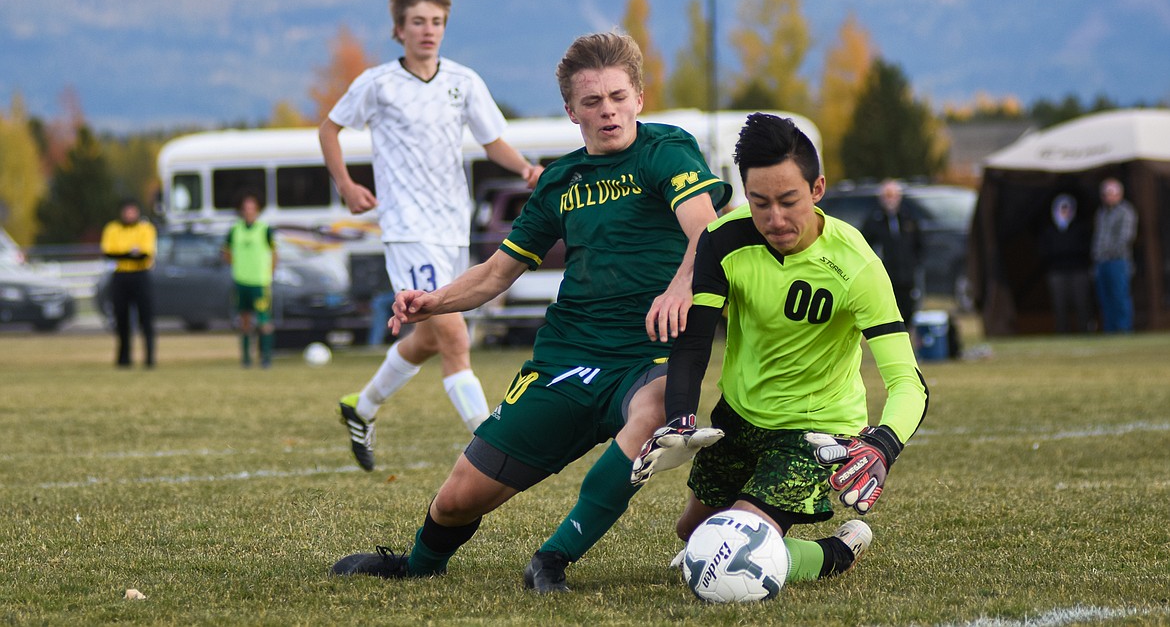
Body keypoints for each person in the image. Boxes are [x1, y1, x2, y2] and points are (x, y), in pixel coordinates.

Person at [330, 31, 731, 592]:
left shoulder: (667, 149)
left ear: (639, 97)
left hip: (644, 357)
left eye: (618, 96)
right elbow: (497, 273)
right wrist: (432, 301)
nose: (607, 111)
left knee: (660, 406)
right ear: (572, 109)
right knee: (456, 499)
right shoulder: (559, 183)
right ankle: (418, 566)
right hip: (565, 360)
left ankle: (551, 560)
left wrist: (680, 286)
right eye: (592, 101)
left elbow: (706, 231)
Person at [631, 113, 929, 586]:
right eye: (759, 202)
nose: (774, 219)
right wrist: (681, 418)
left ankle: (836, 552)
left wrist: (882, 445)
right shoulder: (722, 239)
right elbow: (693, 342)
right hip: (739, 416)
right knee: (691, 532)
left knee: (733, 554)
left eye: (789, 201)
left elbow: (908, 381)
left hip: (814, 432)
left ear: (818, 189)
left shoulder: (856, 263)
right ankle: (722, 543)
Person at [319, 0, 542, 470]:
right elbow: (329, 128)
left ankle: (363, 406)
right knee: (455, 336)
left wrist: (526, 168)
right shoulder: (377, 84)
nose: (429, 30)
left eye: (437, 22)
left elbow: (492, 141)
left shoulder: (463, 81)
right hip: (405, 229)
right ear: (399, 30)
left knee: (428, 334)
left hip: (449, 229)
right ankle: (493, 447)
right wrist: (347, 185)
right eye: (418, 22)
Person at [100, 198, 157, 368]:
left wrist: (123, 254)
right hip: (121, 276)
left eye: (132, 211)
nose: (129, 214)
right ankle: (123, 359)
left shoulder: (146, 228)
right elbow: (108, 253)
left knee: (145, 318)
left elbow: (145, 254)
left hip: (140, 275)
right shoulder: (112, 228)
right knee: (121, 318)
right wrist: (131, 253)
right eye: (127, 211)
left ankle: (149, 358)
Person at [222, 192, 277, 367]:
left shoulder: (264, 229)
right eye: (246, 208)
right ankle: (246, 358)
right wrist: (237, 266)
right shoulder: (235, 230)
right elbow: (226, 252)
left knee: (263, 321)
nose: (249, 211)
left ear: (257, 210)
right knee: (244, 320)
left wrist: (269, 273)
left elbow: (275, 254)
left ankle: (266, 357)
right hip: (241, 281)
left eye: (252, 208)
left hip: (260, 282)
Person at [861, 179, 922, 325]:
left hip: (906, 275)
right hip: (885, 275)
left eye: (893, 195)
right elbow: (865, 244)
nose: (890, 199)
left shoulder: (908, 218)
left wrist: (914, 263)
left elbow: (919, 243)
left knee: (909, 309)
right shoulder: (874, 220)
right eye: (887, 196)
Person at [1038, 193, 1092, 333]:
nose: (1065, 211)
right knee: (1059, 304)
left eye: (1067, 208)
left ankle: (1084, 330)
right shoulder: (1049, 230)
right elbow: (1044, 251)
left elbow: (1087, 248)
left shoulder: (1080, 227)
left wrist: (1065, 251)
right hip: (1057, 271)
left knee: (1081, 302)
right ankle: (1062, 332)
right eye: (1062, 208)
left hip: (1078, 270)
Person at [1092, 177, 1137, 333]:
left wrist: (1107, 252)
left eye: (1111, 193)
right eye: (1105, 194)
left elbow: (1125, 238)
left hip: (1118, 261)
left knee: (1120, 297)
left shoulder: (1125, 212)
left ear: (1119, 194)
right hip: (1102, 262)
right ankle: (1110, 330)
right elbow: (1098, 237)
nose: (1107, 197)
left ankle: (1123, 329)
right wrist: (1097, 256)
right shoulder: (1101, 213)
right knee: (1105, 299)